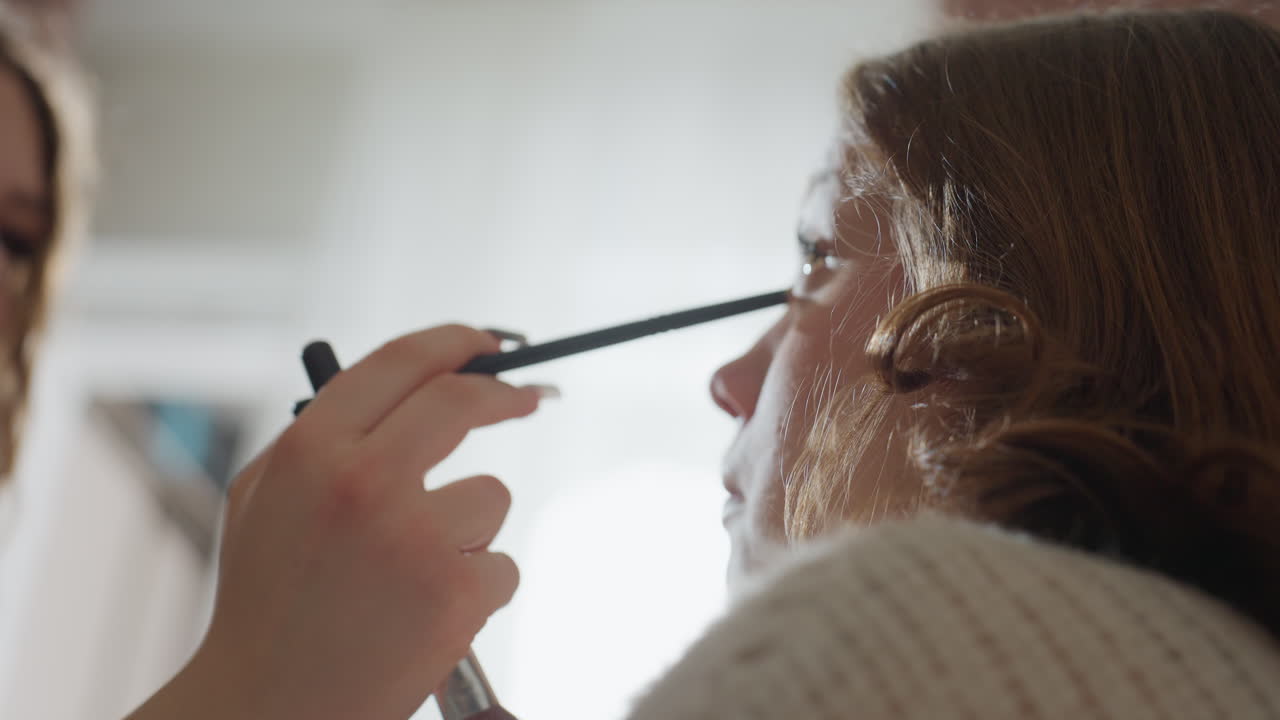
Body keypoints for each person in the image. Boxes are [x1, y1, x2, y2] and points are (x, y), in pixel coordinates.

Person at [2, 5, 1278, 720]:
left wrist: (262, 687)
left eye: (813, 258)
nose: (730, 383)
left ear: (986, 330)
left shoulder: (893, 639)